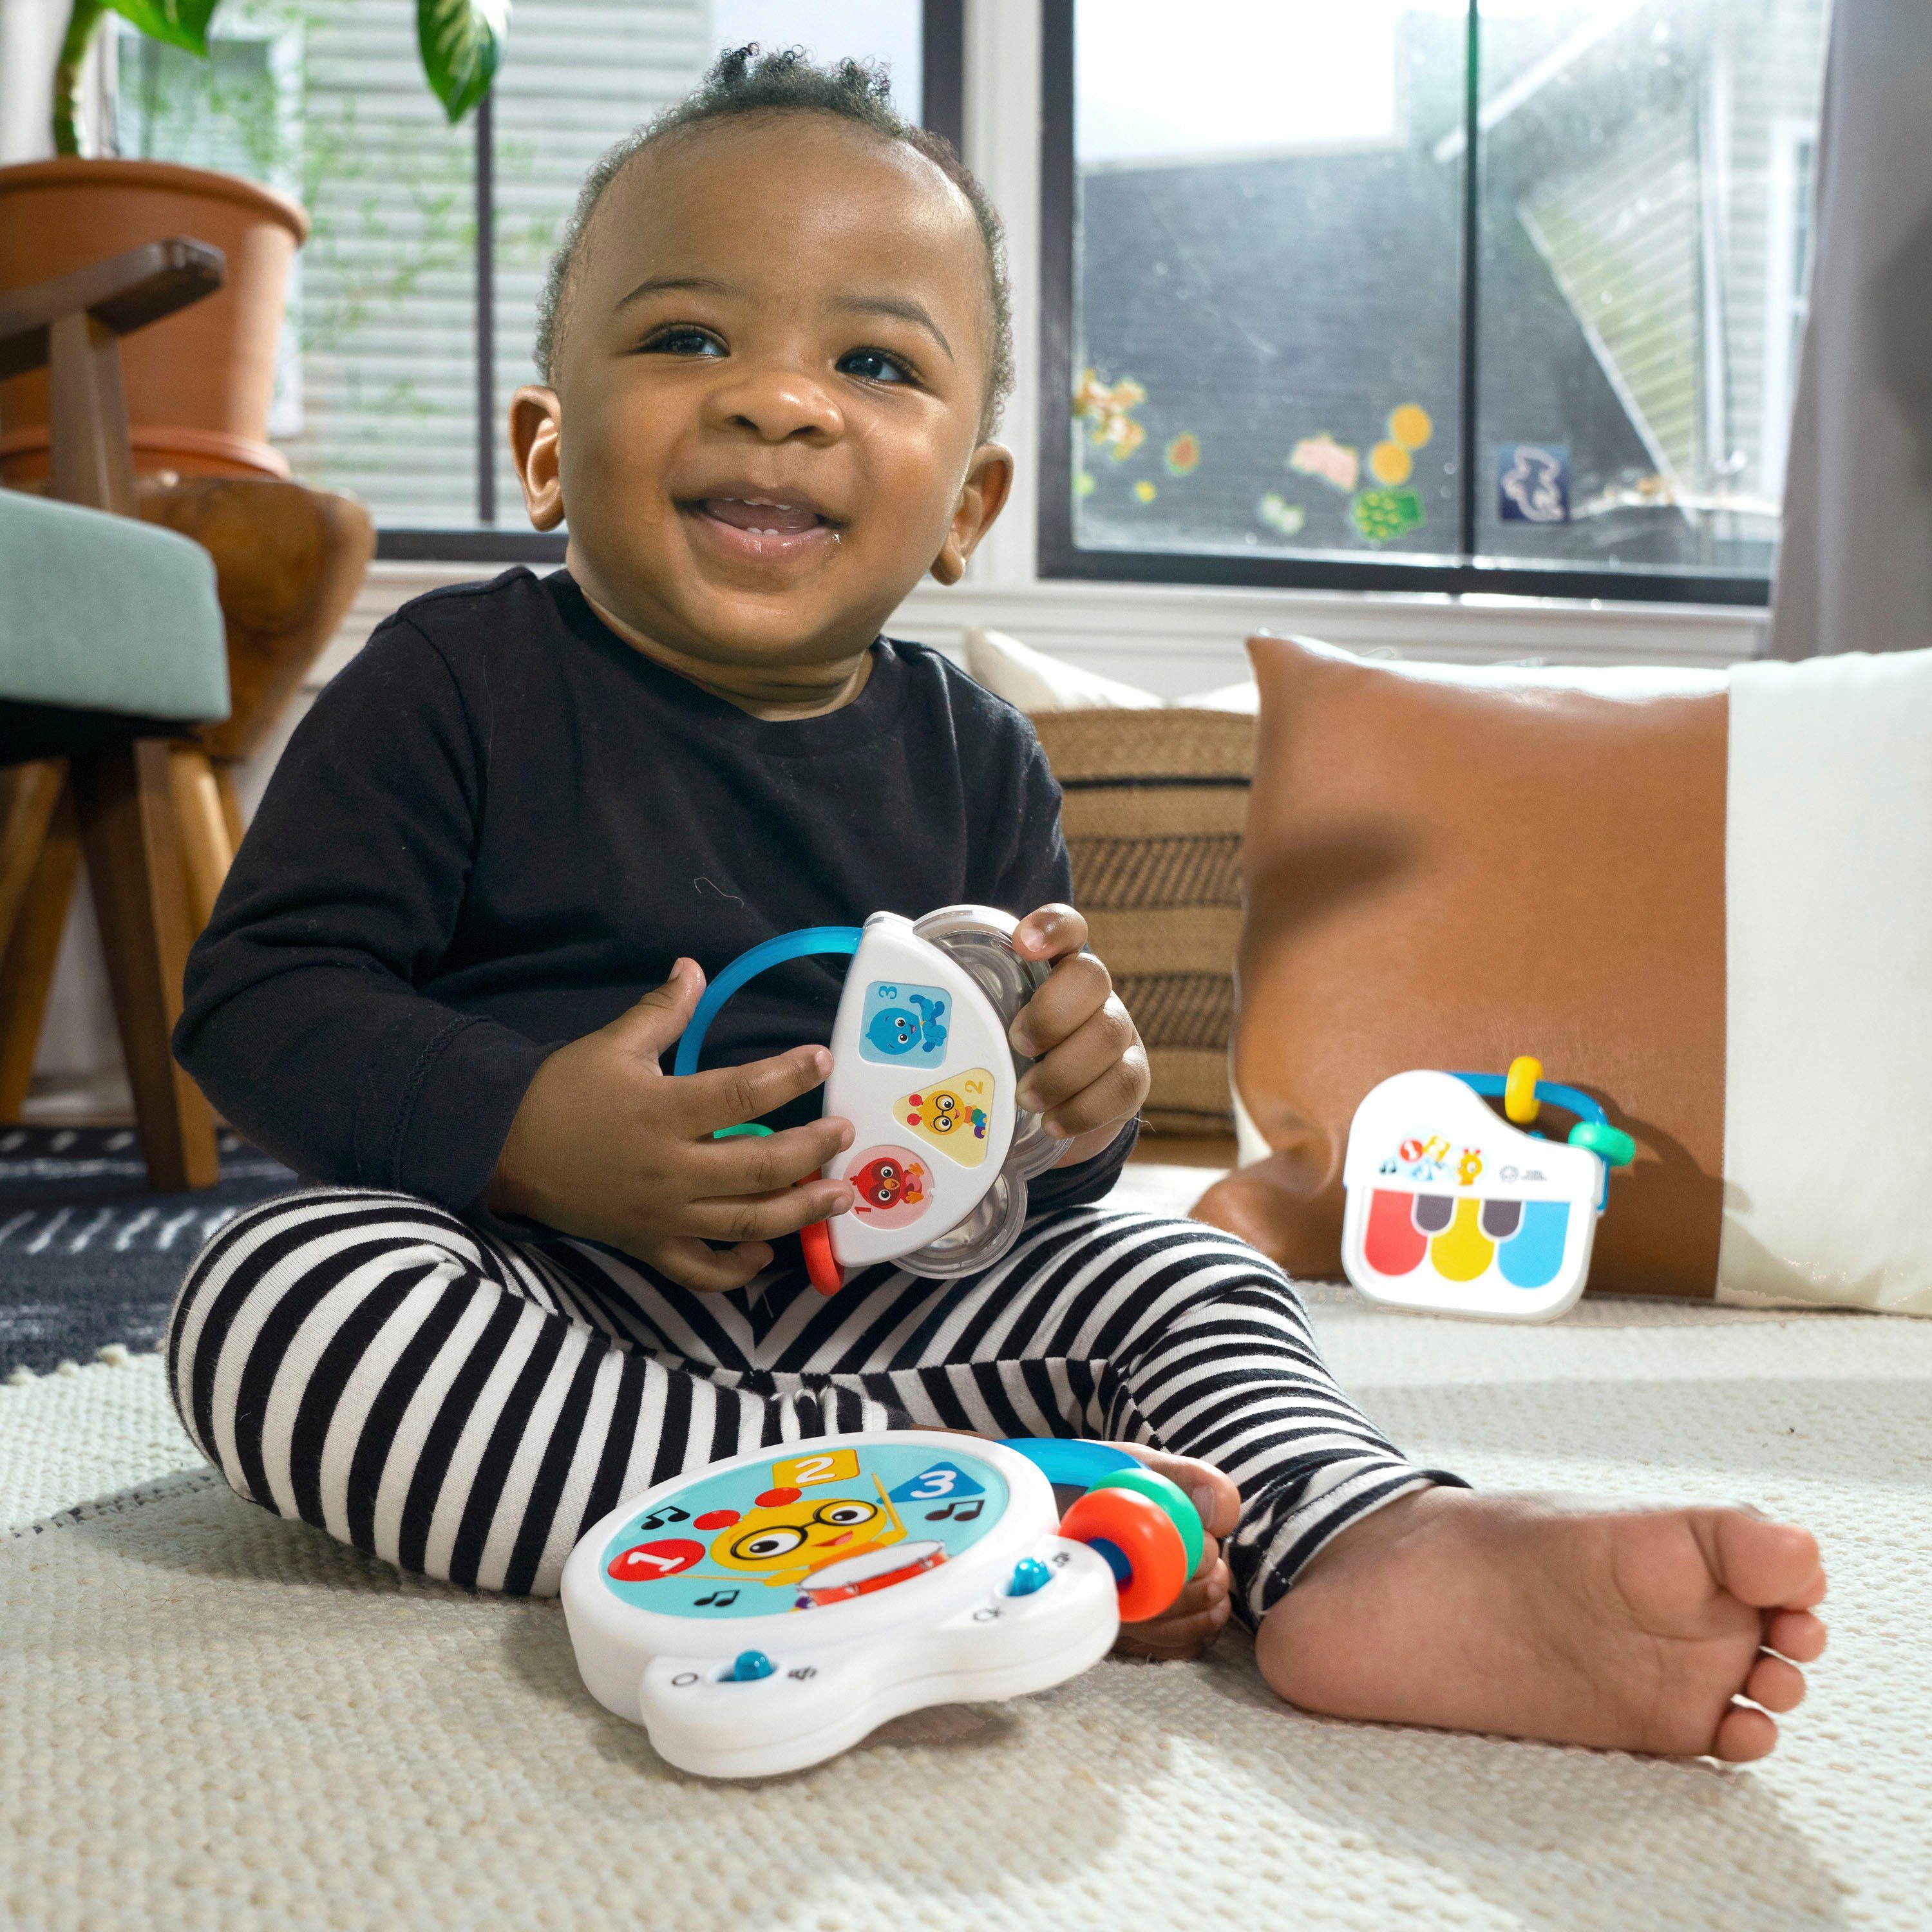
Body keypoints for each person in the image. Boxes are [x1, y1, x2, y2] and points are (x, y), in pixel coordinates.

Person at [169, 48, 1825, 1761]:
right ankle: (976, 1512)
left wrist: (1070, 1113)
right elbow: (262, 1002)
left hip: (883, 1307)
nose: (779, 402)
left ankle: (1357, 1539)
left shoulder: (977, 755)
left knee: (1183, 1284)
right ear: (544, 451)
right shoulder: (452, 680)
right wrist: (527, 1130)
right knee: (277, 1302)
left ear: (965, 507)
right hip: (553, 1303)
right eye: (687, 338)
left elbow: (1020, 1178)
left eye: (873, 361)